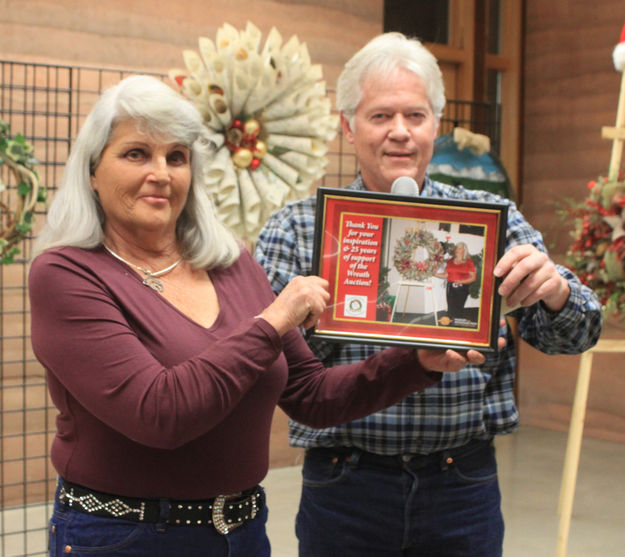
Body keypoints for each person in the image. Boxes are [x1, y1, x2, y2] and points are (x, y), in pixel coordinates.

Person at [28, 75, 485, 557]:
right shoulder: (67, 275)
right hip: (125, 537)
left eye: (176, 157)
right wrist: (271, 323)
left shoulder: (230, 263)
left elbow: (313, 397)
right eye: (136, 153)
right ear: (93, 171)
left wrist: (415, 363)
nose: (160, 173)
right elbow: (159, 413)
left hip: (243, 532)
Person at [255, 32, 602, 557]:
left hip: (462, 484)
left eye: (415, 116)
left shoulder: (486, 222)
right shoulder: (300, 228)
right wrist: (302, 321)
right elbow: (262, 365)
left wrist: (554, 292)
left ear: (436, 126)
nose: (400, 133)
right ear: (348, 126)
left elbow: (581, 332)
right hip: (344, 485)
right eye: (380, 117)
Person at [434, 241, 477, 324]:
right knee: (450, 308)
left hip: (462, 288)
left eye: (459, 248)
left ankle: (457, 326)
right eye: (457, 247)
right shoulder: (450, 261)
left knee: (458, 309)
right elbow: (446, 275)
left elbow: (473, 278)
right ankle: (450, 325)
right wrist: (434, 274)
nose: (457, 249)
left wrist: (461, 281)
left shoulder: (469, 262)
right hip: (450, 287)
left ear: (464, 251)